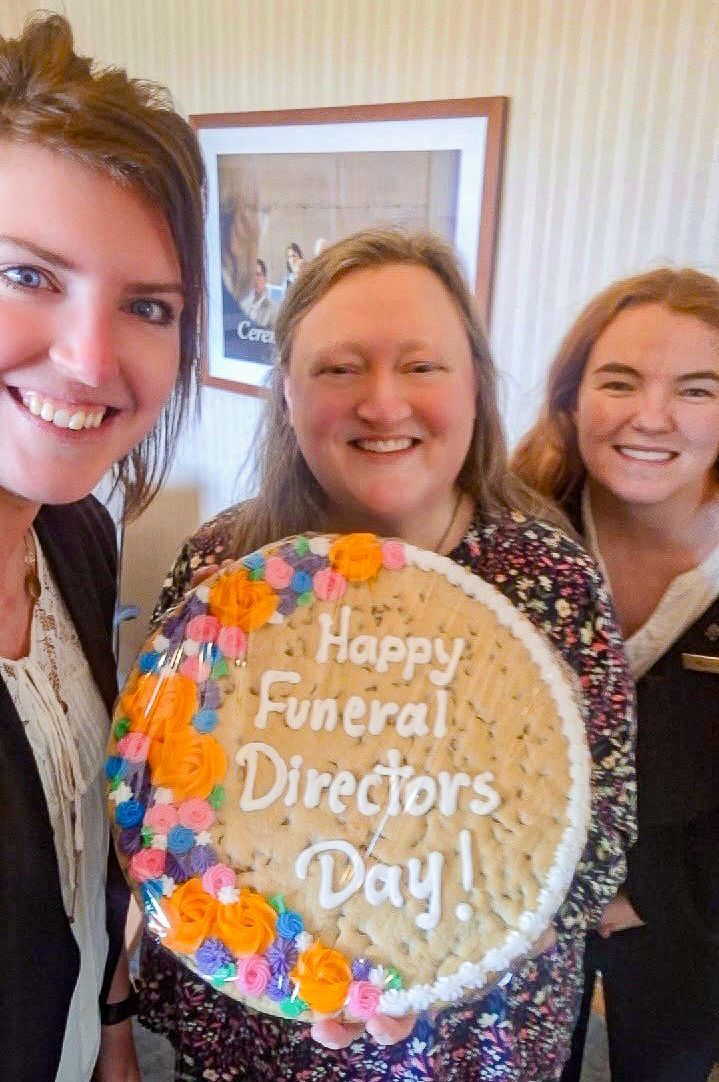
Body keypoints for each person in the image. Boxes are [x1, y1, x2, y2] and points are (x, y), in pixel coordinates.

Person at [139, 228, 636, 1081]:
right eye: (338, 369)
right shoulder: (222, 574)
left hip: (475, 1034)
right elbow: (155, 799)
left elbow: (601, 826)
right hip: (260, 1023)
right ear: (286, 395)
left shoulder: (548, 577)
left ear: (475, 385)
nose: (383, 403)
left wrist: (463, 955)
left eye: (421, 365)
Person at [0, 13, 205, 1082]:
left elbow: (87, 840)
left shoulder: (76, 532)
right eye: (26, 274)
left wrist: (113, 1022)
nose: (87, 360)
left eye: (146, 304)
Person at [513, 268, 719, 1082]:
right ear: (569, 401)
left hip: (692, 918)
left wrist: (645, 900)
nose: (651, 417)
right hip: (517, 906)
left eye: (696, 390)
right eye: (618, 381)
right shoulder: (512, 542)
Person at [241, 259, 278, 329]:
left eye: (258, 274)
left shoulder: (273, 310)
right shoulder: (242, 305)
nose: (254, 278)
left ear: (265, 279)